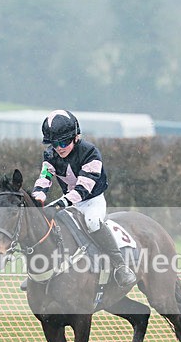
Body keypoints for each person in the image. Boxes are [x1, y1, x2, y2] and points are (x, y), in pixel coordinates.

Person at [27, 109, 137, 289]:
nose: (59, 147)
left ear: (76, 137)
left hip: (91, 200)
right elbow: (44, 178)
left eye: (64, 142)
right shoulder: (50, 155)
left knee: (92, 222)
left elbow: (82, 190)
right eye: (54, 143)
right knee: (51, 225)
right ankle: (42, 272)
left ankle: (120, 266)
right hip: (70, 201)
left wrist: (58, 204)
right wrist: (37, 198)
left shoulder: (90, 153)